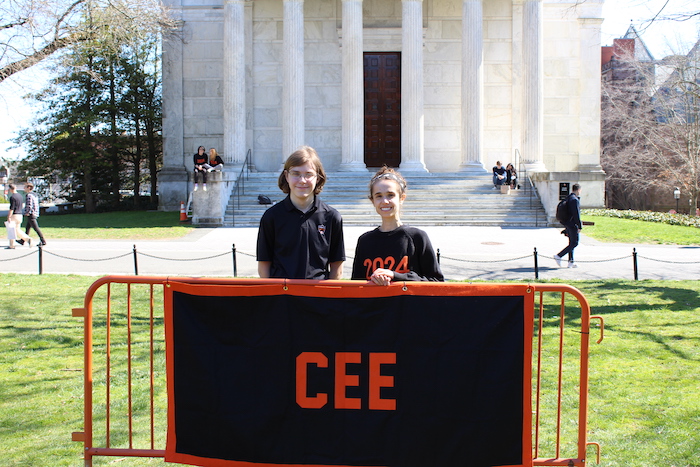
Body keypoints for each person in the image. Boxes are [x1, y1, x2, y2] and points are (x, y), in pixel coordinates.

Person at [256, 146, 345, 280]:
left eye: (308, 174)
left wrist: (328, 298)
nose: (302, 180)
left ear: (318, 178)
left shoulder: (332, 217)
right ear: (286, 176)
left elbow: (337, 267)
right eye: (296, 173)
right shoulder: (271, 217)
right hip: (283, 297)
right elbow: (264, 265)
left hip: (318, 297)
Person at [351, 167, 443, 284]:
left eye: (390, 195)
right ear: (372, 200)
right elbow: (355, 286)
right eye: (378, 196)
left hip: (407, 302)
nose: (384, 201)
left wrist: (394, 275)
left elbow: (436, 281)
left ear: (402, 198)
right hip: (375, 302)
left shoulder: (417, 237)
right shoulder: (365, 241)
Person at [554, 184, 582, 268]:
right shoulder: (574, 200)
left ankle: (571, 262)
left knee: (571, 243)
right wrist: (579, 225)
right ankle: (559, 256)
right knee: (575, 243)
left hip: (567, 223)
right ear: (579, 190)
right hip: (572, 223)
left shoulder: (568, 198)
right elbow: (576, 214)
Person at [6, 184, 31, 249]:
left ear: (10, 189)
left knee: (11, 230)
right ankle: (27, 239)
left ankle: (12, 244)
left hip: (14, 215)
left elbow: (12, 208)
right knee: (17, 229)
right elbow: (22, 205)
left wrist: (9, 216)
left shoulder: (12, 197)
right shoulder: (20, 196)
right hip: (20, 214)